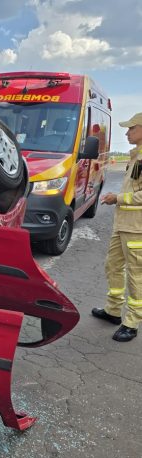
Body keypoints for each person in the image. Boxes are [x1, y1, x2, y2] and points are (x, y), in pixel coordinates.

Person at [92, 112, 142, 342]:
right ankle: (113, 311)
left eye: (131, 128)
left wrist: (119, 199)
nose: (127, 133)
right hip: (122, 225)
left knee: (136, 276)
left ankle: (131, 322)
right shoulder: (135, 156)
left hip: (136, 228)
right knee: (112, 266)